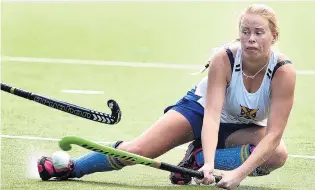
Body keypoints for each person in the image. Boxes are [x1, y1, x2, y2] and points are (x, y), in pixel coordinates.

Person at [37, 4, 296, 189]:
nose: (250, 39)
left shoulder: (283, 72)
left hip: (242, 127)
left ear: (274, 36)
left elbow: (273, 134)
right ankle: (72, 167)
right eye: (245, 31)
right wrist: (210, 163)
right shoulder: (225, 58)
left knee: (277, 154)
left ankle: (194, 160)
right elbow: (212, 115)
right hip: (200, 111)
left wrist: (237, 174)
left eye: (258, 32)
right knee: (140, 150)